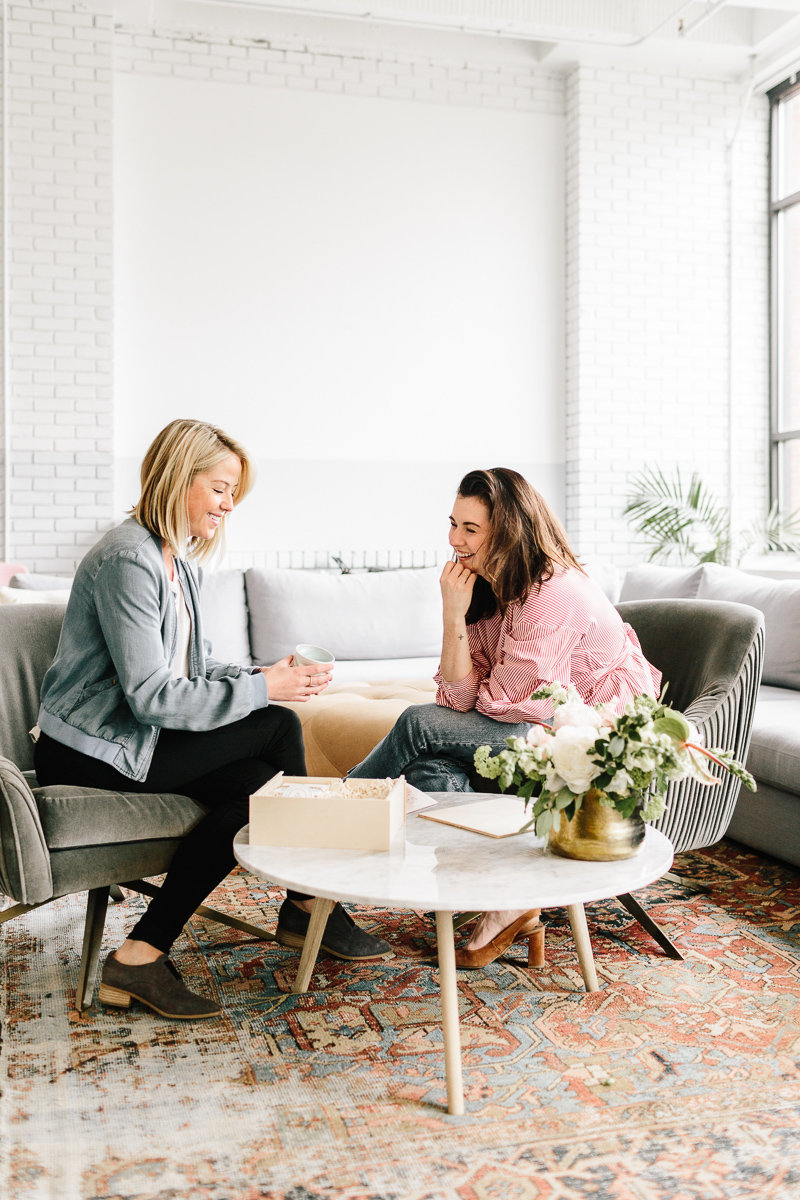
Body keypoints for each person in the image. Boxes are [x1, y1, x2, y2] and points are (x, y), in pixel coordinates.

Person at [34, 419, 389, 1021]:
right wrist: (264, 689)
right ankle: (305, 904)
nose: (228, 505)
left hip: (131, 737)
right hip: (90, 747)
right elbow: (152, 696)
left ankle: (142, 953)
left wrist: (259, 672)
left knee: (258, 785)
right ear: (179, 478)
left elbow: (191, 665)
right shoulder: (129, 560)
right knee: (277, 728)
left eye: (233, 494)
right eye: (221, 488)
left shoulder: (174, 558)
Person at [349, 467, 661, 968]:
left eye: (470, 529)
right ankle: (508, 894)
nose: (454, 540)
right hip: (533, 727)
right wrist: (454, 615)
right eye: (453, 524)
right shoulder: (486, 584)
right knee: (431, 769)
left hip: (586, 738)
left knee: (417, 724)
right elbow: (458, 698)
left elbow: (501, 705)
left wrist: (467, 687)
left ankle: (333, 812)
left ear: (510, 532)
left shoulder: (549, 593)